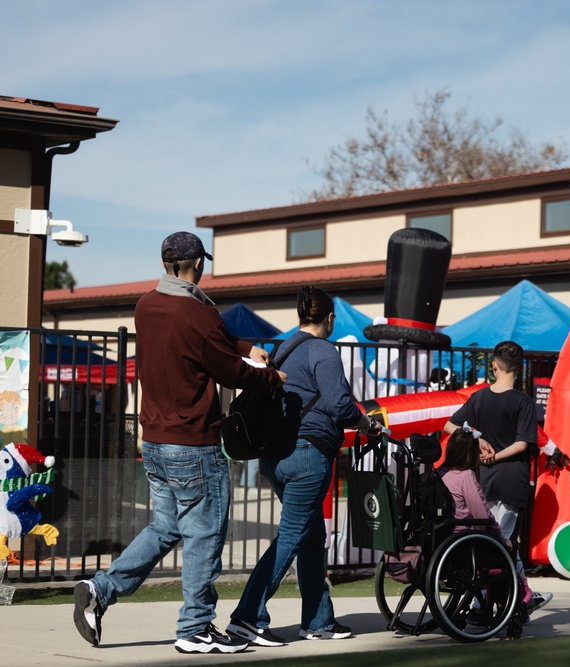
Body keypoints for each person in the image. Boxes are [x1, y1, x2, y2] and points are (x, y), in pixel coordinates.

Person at [73, 231, 286, 654]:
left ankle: (100, 589)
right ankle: (196, 628)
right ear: (199, 265)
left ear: (162, 263)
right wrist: (268, 375)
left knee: (166, 527)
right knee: (205, 533)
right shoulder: (198, 314)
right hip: (194, 443)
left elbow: (204, 343)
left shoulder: (146, 306)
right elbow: (230, 370)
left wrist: (246, 347)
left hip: (154, 440)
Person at [227, 286, 380, 647]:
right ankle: (247, 617)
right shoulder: (324, 351)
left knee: (312, 536)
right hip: (308, 455)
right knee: (293, 536)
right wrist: (365, 423)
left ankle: (318, 620)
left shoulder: (284, 348)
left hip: (275, 455)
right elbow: (341, 406)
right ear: (328, 318)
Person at [444, 341, 551, 614]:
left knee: (488, 540)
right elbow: (523, 444)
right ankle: (506, 599)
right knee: (504, 542)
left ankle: (504, 596)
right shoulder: (522, 401)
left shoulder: (479, 397)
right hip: (511, 478)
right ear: (520, 367)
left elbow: (449, 424)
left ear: (493, 365)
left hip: (484, 479)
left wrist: (478, 440)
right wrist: (498, 454)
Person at [438, 427, 537, 618]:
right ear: (471, 453)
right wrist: (501, 538)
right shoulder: (466, 476)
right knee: (505, 551)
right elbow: (482, 514)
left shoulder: (441, 474)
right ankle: (508, 605)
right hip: (466, 543)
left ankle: (490, 605)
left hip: (446, 540)